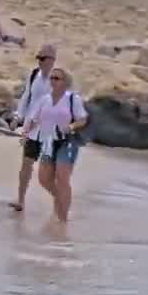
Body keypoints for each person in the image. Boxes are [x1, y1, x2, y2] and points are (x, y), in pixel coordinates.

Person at [21, 67, 89, 226]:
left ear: (65, 82)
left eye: (57, 78)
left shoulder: (72, 99)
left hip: (67, 142)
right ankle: (61, 201)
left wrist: (71, 126)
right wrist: (26, 133)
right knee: (44, 179)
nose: (52, 81)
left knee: (62, 177)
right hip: (48, 142)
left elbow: (82, 119)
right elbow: (34, 119)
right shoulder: (44, 99)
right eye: (51, 78)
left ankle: (63, 221)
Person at [9, 44, 57, 213]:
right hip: (31, 130)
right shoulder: (34, 75)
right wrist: (17, 117)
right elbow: (26, 98)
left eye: (43, 59)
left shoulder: (57, 80)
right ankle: (20, 200)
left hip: (49, 132)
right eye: (38, 58)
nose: (40, 62)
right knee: (26, 165)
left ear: (52, 60)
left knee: (47, 173)